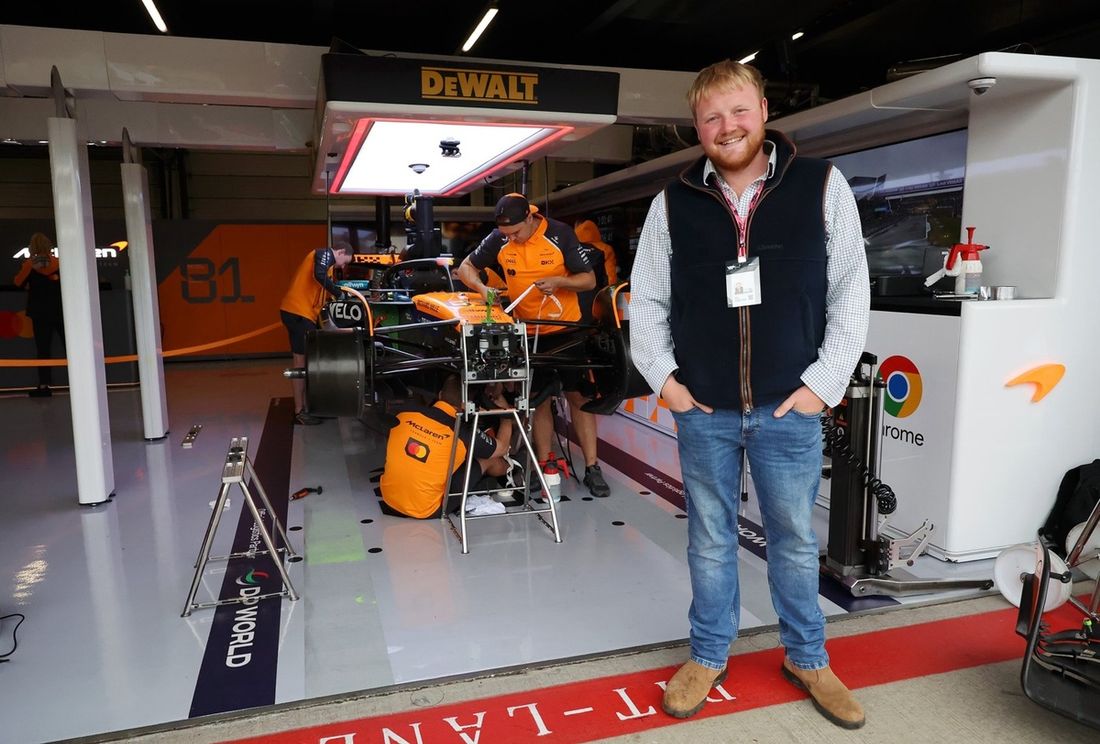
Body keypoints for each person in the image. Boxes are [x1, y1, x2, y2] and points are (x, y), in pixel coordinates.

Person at [630, 60, 870, 728]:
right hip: (702, 408)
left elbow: (852, 285)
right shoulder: (672, 203)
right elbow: (644, 301)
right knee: (709, 537)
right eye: (712, 117)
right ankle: (708, 653)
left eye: (738, 111)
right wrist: (667, 383)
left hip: (788, 406)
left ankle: (808, 656)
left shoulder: (822, 185)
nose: (727, 127)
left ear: (763, 110)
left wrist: (823, 386)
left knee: (793, 539)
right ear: (696, 126)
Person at [456, 193, 611, 498]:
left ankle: (592, 467)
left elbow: (589, 280)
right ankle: (544, 463)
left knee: (577, 396)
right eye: (505, 234)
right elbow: (465, 268)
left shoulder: (559, 234)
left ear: (529, 217)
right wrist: (484, 287)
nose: (511, 238)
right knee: (538, 399)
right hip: (527, 333)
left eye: (515, 232)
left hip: (567, 329)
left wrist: (559, 281)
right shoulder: (499, 239)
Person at [379, 377, 513, 519]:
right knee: (487, 458)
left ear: (441, 395)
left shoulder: (404, 414)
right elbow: (503, 447)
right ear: (467, 405)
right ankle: (514, 470)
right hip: (427, 509)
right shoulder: (463, 432)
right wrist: (506, 414)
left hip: (389, 498)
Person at [279, 242, 354, 425]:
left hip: (302, 315)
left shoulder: (327, 270)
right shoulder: (323, 254)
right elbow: (318, 275)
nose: (343, 267)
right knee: (304, 362)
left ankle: (310, 407)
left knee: (307, 362)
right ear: (340, 252)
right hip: (298, 313)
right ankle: (300, 411)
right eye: (345, 262)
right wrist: (338, 293)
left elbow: (322, 300)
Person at [14, 233, 64, 397]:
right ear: (49, 246)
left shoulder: (29, 264)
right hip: (60, 310)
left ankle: (44, 386)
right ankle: (84, 379)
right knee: (70, 347)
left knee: (43, 349)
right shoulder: (58, 262)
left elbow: (17, 282)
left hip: (39, 312)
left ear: (32, 247)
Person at [573, 219, 618, 286]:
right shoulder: (605, 248)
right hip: (597, 291)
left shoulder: (572, 248)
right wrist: (612, 292)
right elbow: (610, 274)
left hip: (575, 290)